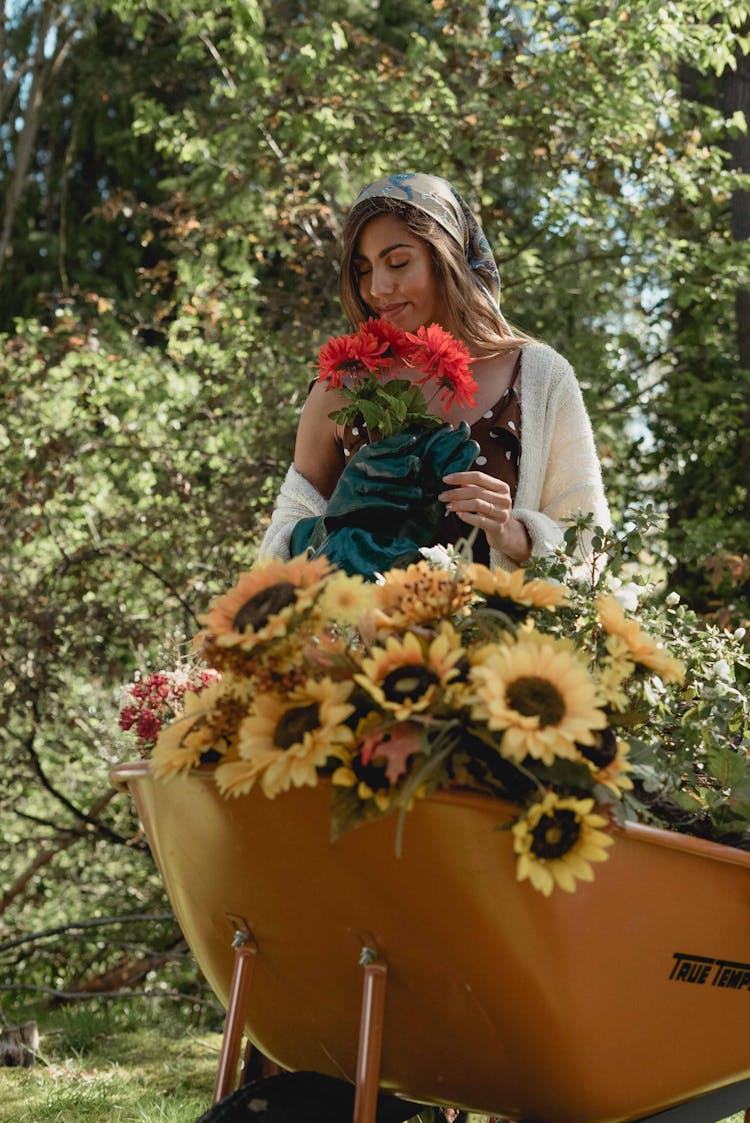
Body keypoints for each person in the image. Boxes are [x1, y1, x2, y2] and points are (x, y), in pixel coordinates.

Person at [258, 172, 609, 571]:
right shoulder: (345, 384)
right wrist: (333, 527)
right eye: (363, 270)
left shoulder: (539, 377)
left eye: (398, 262)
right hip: (364, 632)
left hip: (504, 632)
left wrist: (513, 532)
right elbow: (276, 553)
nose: (377, 288)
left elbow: (590, 546)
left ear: (447, 261)